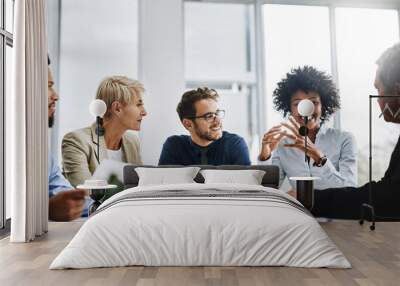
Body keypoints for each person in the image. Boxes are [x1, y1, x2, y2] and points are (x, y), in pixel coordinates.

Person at [312, 43, 400, 219]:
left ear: (397, 91)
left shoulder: (343, 140)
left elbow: (389, 198)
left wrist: (313, 200)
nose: (376, 99)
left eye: (378, 89)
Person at [258, 66, 357, 190]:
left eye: (313, 102)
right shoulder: (283, 146)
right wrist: (265, 156)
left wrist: (318, 157)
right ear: (289, 108)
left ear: (323, 105)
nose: (305, 110)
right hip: (298, 210)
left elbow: (350, 188)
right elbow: (268, 188)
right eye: (297, 104)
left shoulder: (344, 140)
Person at [62, 76, 147, 187]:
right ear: (117, 108)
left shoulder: (132, 142)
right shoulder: (76, 141)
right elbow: (86, 194)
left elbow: (140, 187)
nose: (144, 112)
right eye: (138, 104)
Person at [159, 87, 250, 165]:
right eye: (209, 116)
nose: (218, 121)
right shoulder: (174, 146)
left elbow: (244, 184)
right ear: (188, 124)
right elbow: (165, 184)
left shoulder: (234, 144)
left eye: (217, 113)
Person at [47, 56, 86, 221]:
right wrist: (45, 210)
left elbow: (68, 197)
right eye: (49, 86)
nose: (56, 96)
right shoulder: (76, 140)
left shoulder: (43, 155)